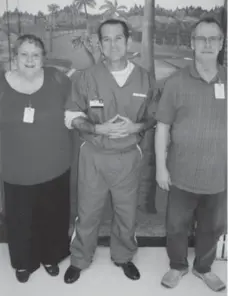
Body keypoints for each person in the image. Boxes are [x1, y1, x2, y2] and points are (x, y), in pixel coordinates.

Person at [63, 19, 156, 284]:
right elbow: (71, 116)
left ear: (128, 42)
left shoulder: (144, 77)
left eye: (118, 38)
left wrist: (136, 126)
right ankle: (80, 258)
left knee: (127, 212)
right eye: (106, 39)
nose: (113, 44)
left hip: (128, 157)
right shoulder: (86, 77)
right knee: (88, 211)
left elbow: (154, 117)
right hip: (94, 155)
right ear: (100, 44)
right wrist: (97, 128)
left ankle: (124, 257)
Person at [155, 17, 227, 292]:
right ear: (192, 44)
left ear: (221, 44)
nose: (207, 44)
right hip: (181, 174)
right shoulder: (176, 82)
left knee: (212, 227)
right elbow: (162, 126)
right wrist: (161, 168)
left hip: (218, 175)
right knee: (176, 226)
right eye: (201, 39)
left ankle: (204, 269)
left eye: (213, 39)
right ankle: (177, 266)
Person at [0, 34, 73, 283]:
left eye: (36, 54)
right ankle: (24, 263)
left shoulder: (58, 79)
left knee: (52, 215)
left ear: (43, 58)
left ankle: (51, 256)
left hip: (55, 166)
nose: (30, 59)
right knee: (20, 219)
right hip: (15, 170)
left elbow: (77, 109)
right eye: (24, 54)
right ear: (15, 57)